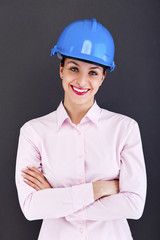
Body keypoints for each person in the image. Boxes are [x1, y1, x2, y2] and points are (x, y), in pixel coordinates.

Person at [15, 18, 147, 240]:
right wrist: (100, 188)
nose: (82, 81)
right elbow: (31, 208)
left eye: (93, 72)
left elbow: (134, 205)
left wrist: (56, 201)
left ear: (103, 77)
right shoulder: (33, 132)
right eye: (74, 68)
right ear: (61, 70)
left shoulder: (125, 129)